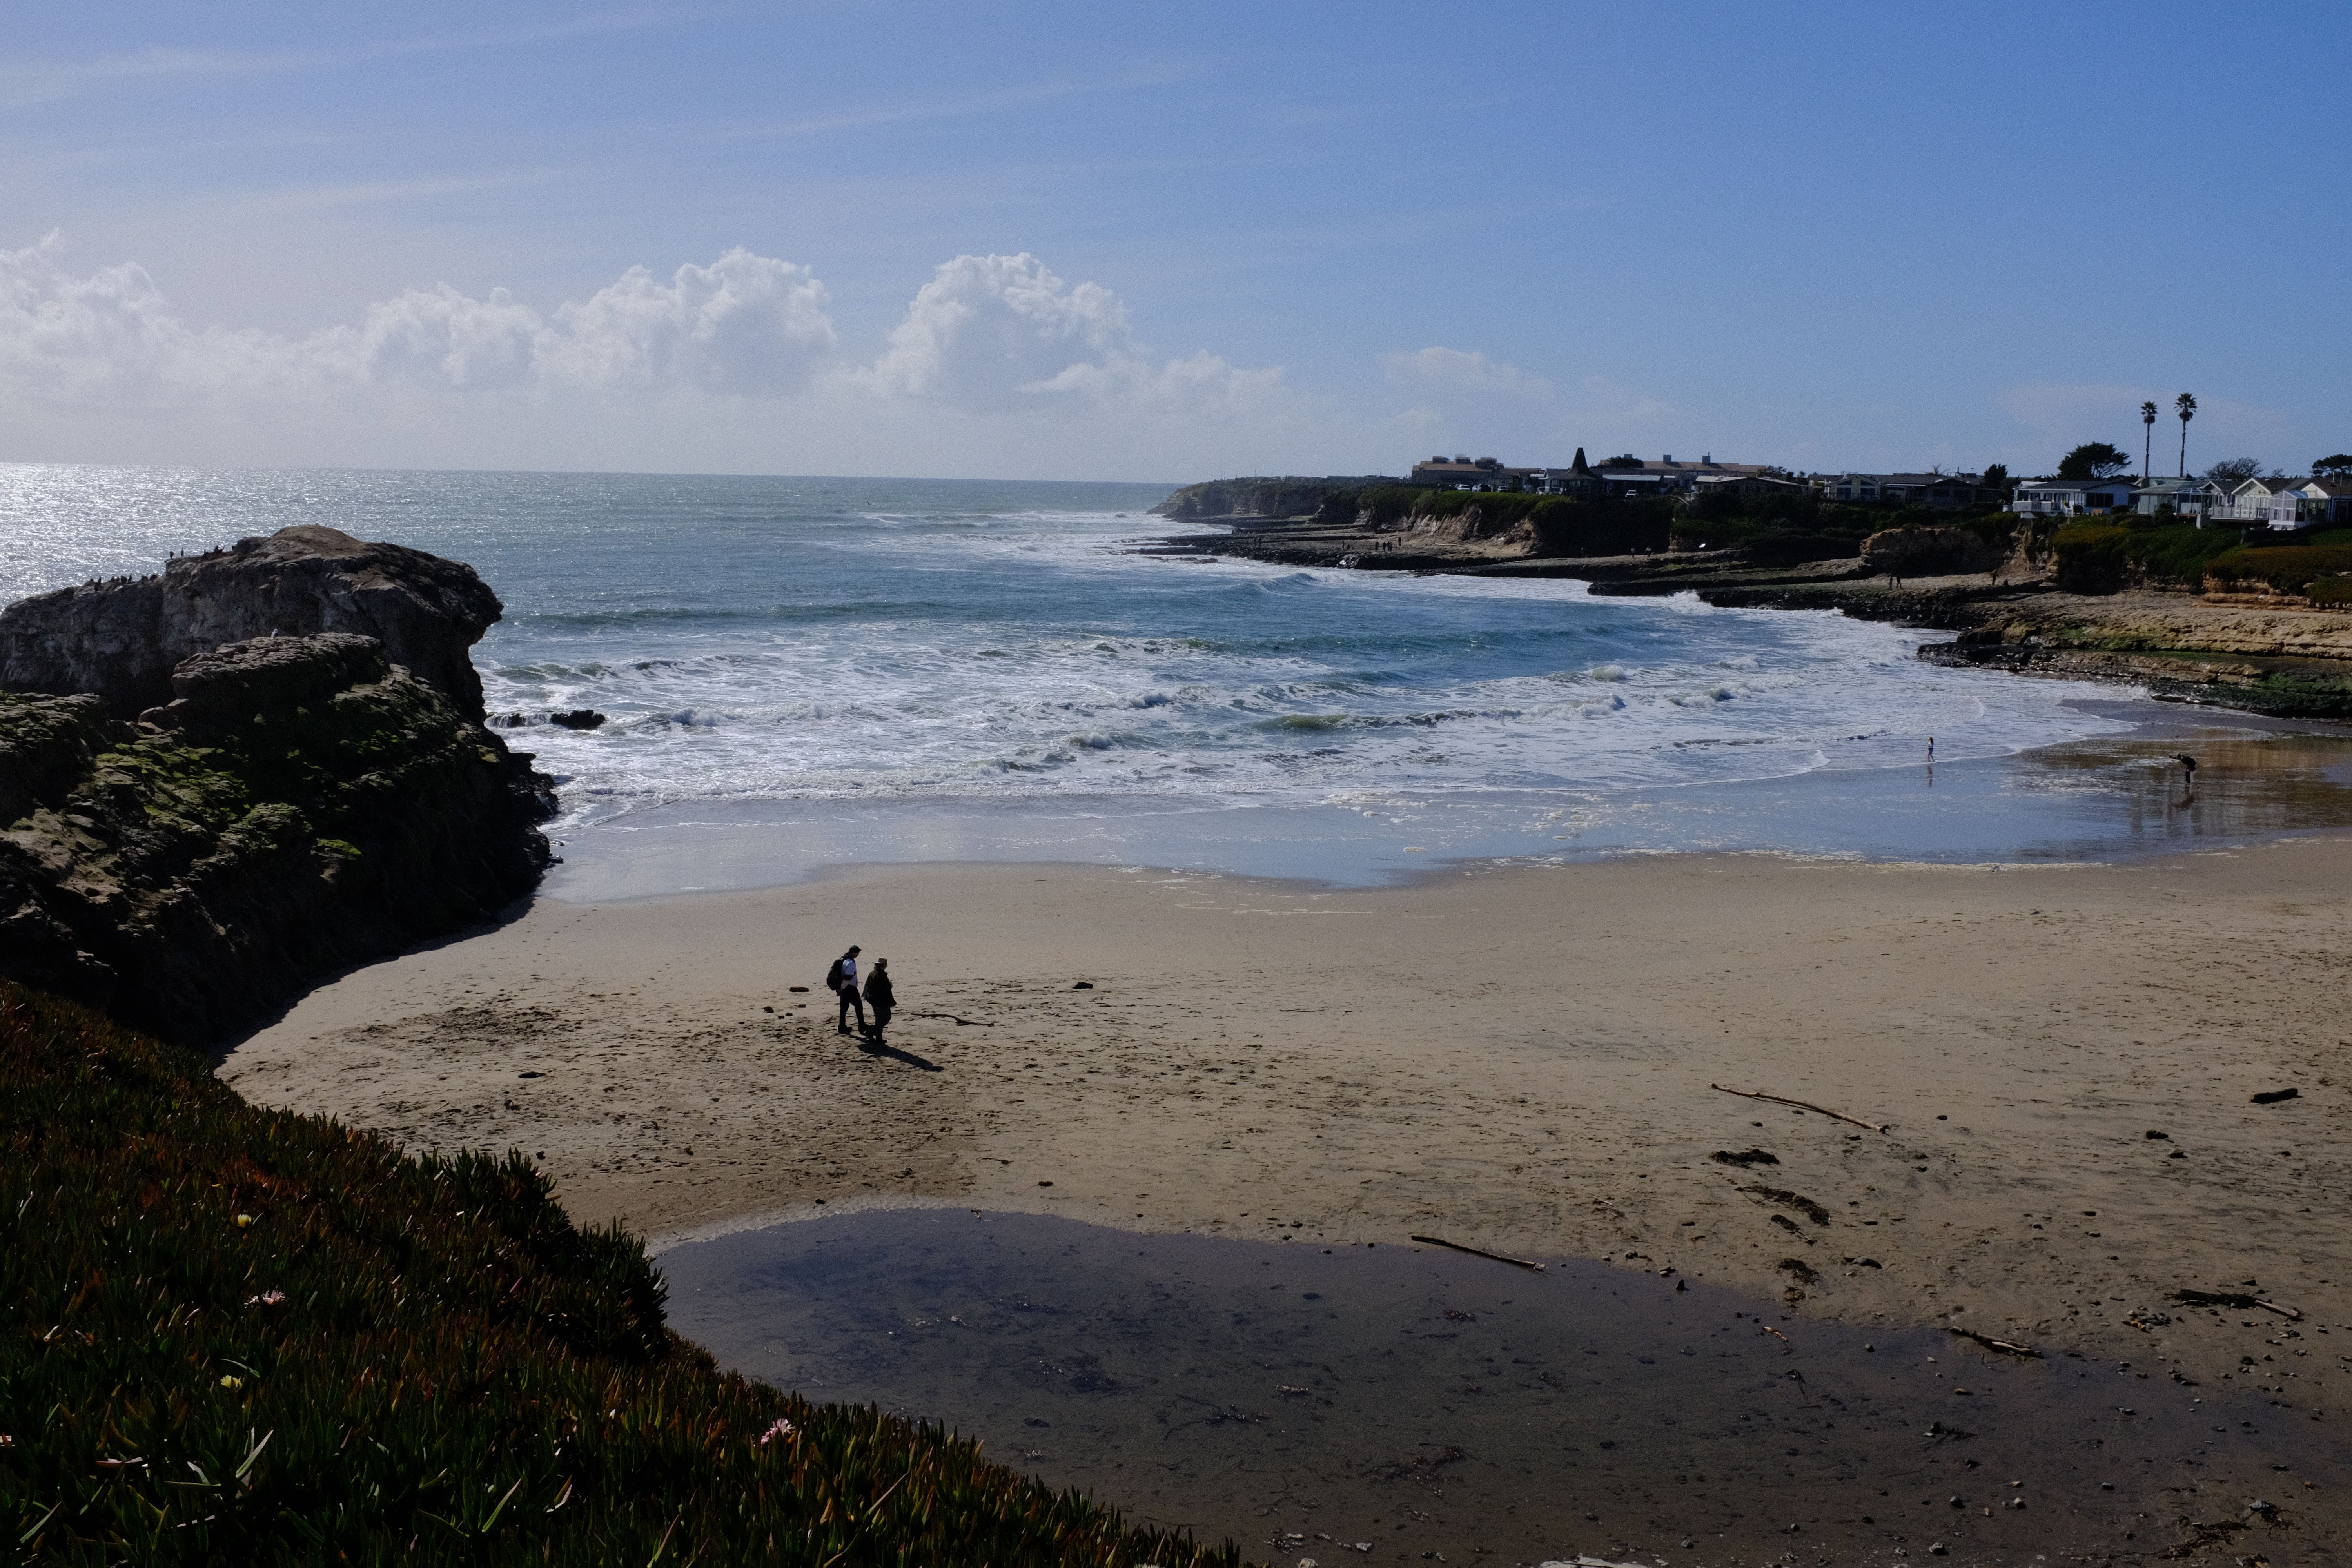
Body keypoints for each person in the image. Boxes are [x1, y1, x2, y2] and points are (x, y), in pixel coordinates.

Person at [826, 944, 864, 1035]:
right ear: (854, 952)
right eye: (857, 953)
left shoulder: (844, 960)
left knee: (844, 1009)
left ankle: (842, 1027)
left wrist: (840, 989)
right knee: (859, 1006)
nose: (858, 955)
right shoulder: (850, 963)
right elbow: (848, 978)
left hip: (844, 989)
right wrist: (842, 988)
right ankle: (862, 1026)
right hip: (849, 988)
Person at [862, 958, 895, 1041]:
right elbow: (886, 991)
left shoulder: (872, 972)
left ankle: (879, 1038)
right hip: (880, 1001)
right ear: (884, 966)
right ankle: (871, 1031)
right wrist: (892, 1001)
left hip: (873, 999)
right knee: (887, 1017)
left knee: (879, 1018)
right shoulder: (881, 975)